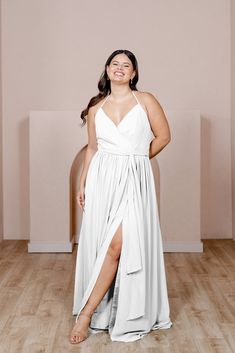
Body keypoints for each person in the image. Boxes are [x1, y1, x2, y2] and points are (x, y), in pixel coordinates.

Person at [70, 49, 173, 344]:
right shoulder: (95, 109)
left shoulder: (146, 100)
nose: (120, 68)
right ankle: (102, 310)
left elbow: (164, 136)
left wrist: (137, 159)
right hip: (102, 181)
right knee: (105, 246)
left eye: (126, 65)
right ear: (106, 69)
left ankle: (87, 315)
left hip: (133, 180)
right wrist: (83, 183)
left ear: (134, 73)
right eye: (115, 63)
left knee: (118, 245)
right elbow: (92, 148)